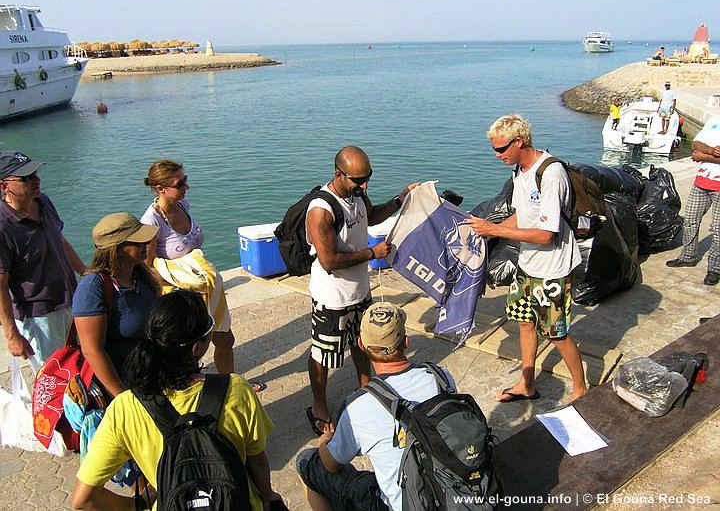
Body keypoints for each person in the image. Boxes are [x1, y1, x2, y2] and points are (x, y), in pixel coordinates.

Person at [71, 290, 284, 510]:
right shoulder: (236, 389)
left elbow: (82, 500)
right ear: (197, 348)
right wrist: (268, 496)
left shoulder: (125, 408)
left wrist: (138, 504)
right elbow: (257, 460)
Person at [468, 115, 587, 403]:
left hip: (553, 270)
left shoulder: (550, 173)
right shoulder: (519, 172)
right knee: (524, 323)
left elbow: (547, 234)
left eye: (500, 149)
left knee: (556, 333)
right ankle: (527, 383)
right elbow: (522, 216)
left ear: (519, 141)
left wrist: (495, 229)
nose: (497, 156)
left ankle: (581, 388)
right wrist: (489, 232)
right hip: (527, 265)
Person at [296, 302, 456, 511]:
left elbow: (330, 464)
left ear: (361, 346)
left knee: (307, 462)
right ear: (406, 341)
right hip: (452, 492)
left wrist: (325, 440)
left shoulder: (358, 406)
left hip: (400, 504)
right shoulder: (441, 377)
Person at [304, 146, 418, 434]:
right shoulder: (321, 211)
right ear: (338, 174)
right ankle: (319, 404)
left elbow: (372, 216)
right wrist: (372, 253)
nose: (364, 185)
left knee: (361, 341)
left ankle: (366, 386)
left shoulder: (357, 193)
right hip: (333, 297)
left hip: (360, 290)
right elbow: (329, 261)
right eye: (357, 180)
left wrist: (399, 200)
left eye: (367, 178)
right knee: (323, 352)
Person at [141, 159, 237, 378]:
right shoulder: (151, 222)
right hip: (180, 296)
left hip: (207, 289)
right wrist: (184, 282)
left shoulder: (182, 206)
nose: (186, 187)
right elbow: (146, 267)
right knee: (189, 353)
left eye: (185, 180)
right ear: (160, 189)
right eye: (179, 184)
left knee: (225, 338)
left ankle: (229, 383)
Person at [0, 151, 86, 363]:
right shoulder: (3, 226)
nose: (36, 180)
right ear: (4, 186)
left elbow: (59, 240)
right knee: (53, 376)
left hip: (71, 298)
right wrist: (12, 335)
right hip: (39, 316)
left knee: (82, 365)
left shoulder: (44, 202)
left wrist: (85, 272)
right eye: (26, 178)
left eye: (35, 174)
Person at [72, 213, 160, 398]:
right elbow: (92, 350)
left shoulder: (140, 275)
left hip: (151, 379)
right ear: (117, 249)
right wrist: (122, 397)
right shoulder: (92, 288)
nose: (146, 244)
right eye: (138, 242)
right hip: (123, 387)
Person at [666, 115, 720, 286]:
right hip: (702, 182)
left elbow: (697, 154)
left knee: (719, 231)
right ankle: (688, 256)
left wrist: (702, 156)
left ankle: (714, 269)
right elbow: (695, 145)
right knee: (690, 220)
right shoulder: (715, 120)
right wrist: (711, 151)